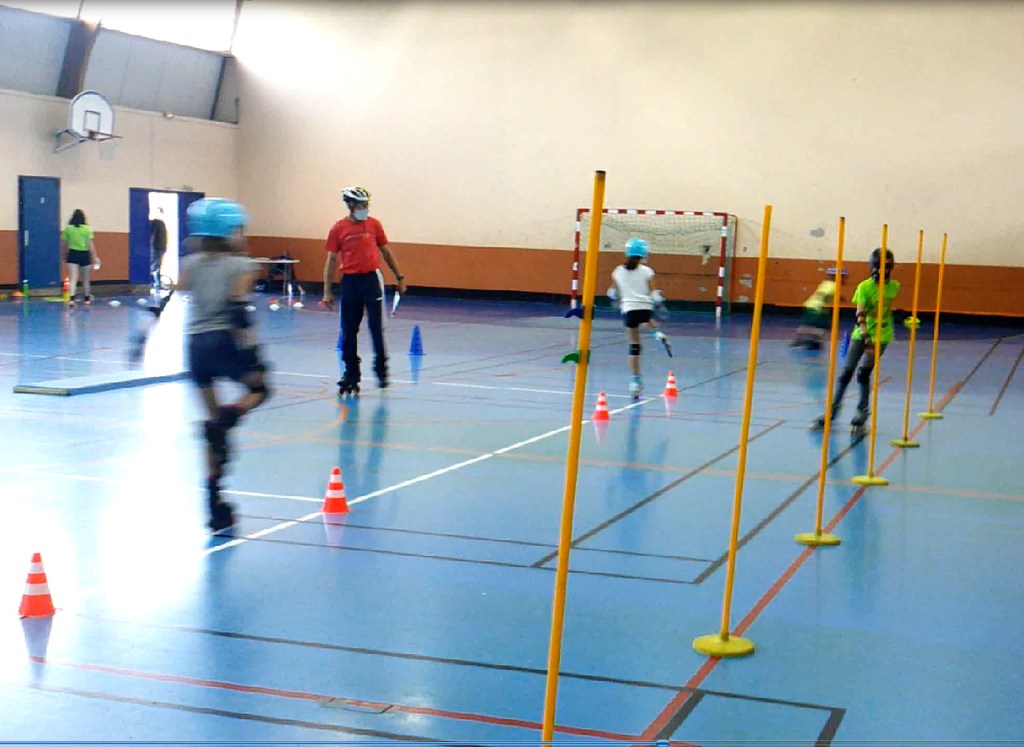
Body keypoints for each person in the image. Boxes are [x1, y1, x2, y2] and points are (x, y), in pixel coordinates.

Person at [177, 198, 271, 532]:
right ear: (230, 231)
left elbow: (180, 289)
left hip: (195, 348)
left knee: (210, 425)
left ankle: (214, 504)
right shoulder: (241, 266)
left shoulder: (190, 263)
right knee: (261, 389)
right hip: (223, 342)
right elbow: (238, 313)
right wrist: (254, 355)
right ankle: (228, 421)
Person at [322, 186, 407, 396]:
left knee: (376, 327)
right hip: (350, 282)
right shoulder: (338, 229)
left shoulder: (374, 225)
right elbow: (331, 260)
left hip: (371, 280)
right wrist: (327, 291)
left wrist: (399, 277)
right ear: (350, 206)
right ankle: (351, 373)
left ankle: (381, 368)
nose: (364, 209)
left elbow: (386, 251)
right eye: (360, 205)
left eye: (366, 205)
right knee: (349, 331)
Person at [813, 248, 900, 434]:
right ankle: (831, 414)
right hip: (862, 333)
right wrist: (866, 337)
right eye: (878, 267)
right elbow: (859, 314)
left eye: (885, 268)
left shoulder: (894, 287)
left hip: (882, 335)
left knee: (863, 374)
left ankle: (861, 415)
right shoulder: (864, 287)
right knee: (846, 374)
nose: (881, 271)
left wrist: (874, 341)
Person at [609, 237, 672, 400]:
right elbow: (655, 294)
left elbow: (612, 292)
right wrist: (659, 304)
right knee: (648, 319)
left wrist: (616, 298)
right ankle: (657, 333)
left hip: (629, 310)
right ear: (644, 254)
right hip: (645, 308)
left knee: (634, 346)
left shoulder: (618, 271)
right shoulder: (647, 271)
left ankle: (635, 382)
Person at [791, 270, 844, 351]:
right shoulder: (834, 285)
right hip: (818, 308)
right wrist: (826, 302)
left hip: (811, 305)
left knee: (810, 324)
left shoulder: (826, 283)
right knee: (823, 326)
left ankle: (805, 339)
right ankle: (809, 340)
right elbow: (825, 295)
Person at [61, 209, 101, 307]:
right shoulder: (87, 229)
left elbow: (65, 245)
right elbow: (91, 245)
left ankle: (71, 300)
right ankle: (87, 299)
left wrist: (64, 255)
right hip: (84, 254)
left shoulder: (68, 229)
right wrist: (95, 257)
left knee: (73, 279)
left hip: (72, 254)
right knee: (86, 279)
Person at [150, 207, 168, 286]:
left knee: (156, 265)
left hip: (160, 247)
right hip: (157, 247)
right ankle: (156, 283)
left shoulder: (160, 223)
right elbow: (153, 236)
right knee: (155, 265)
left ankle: (157, 283)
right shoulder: (157, 223)